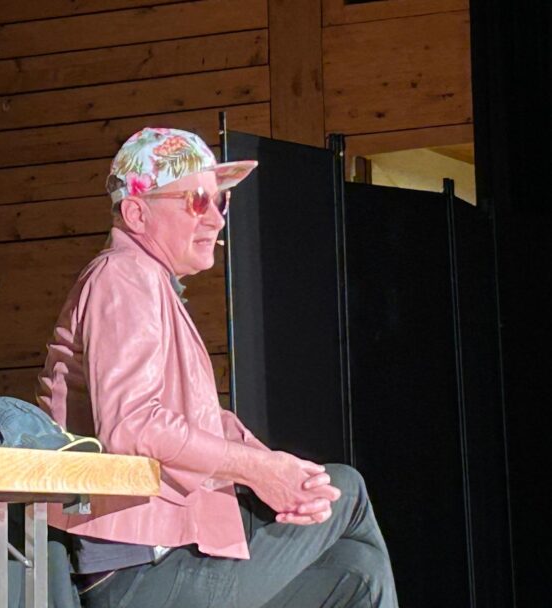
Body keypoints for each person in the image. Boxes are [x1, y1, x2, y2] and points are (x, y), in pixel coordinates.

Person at [37, 128, 399, 607]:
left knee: (359, 572)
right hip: (136, 573)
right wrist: (261, 471)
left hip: (164, 554)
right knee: (345, 490)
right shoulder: (124, 276)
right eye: (196, 200)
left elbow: (200, 420)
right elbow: (132, 425)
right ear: (137, 213)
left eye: (220, 201)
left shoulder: (146, 281)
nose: (216, 217)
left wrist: (276, 473)